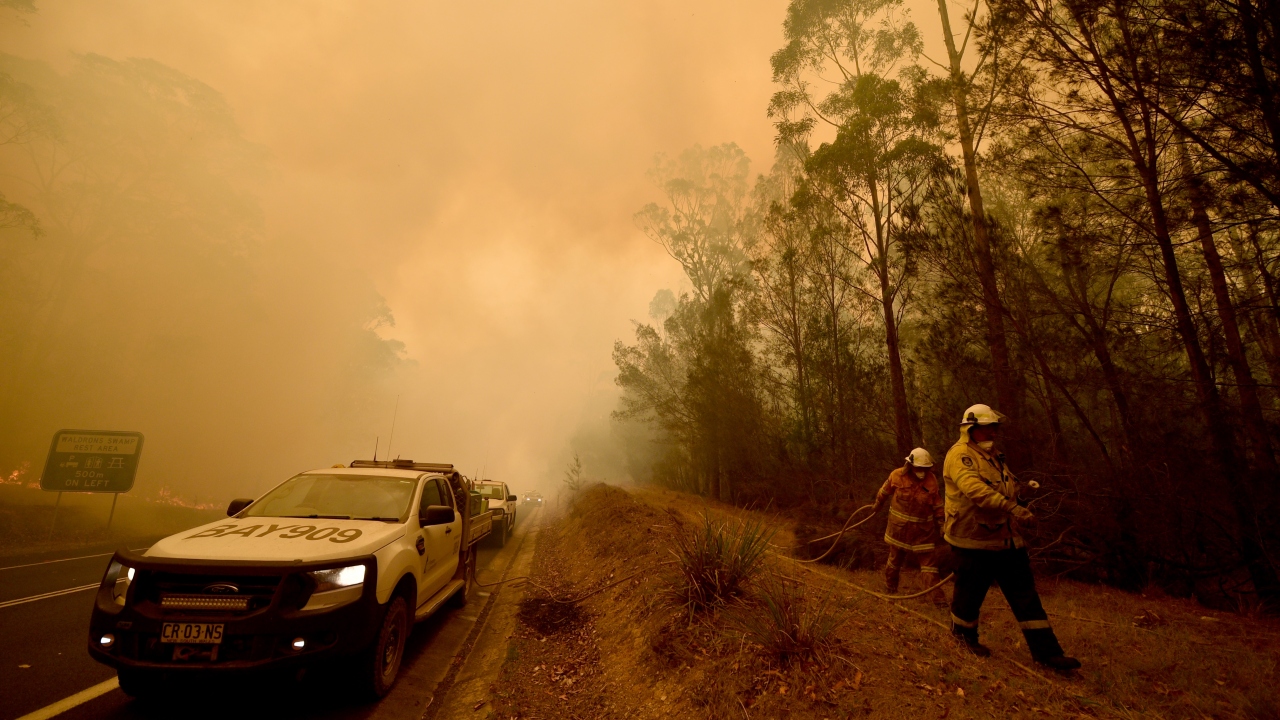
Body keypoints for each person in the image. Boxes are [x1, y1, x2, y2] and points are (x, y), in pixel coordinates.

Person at [942, 404, 1080, 671]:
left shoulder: (993, 456)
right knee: (969, 595)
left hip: (1006, 539)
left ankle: (1048, 654)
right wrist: (1013, 508)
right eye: (988, 427)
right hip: (972, 541)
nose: (994, 432)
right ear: (971, 429)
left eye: (995, 427)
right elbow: (976, 491)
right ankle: (963, 639)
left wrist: (1021, 492)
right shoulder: (960, 455)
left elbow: (1003, 487)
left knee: (1025, 596)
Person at [873, 448, 947, 605]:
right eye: (919, 468)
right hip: (899, 530)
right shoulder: (897, 475)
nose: (922, 472)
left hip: (922, 533)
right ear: (910, 465)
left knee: (929, 566)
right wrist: (877, 504)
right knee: (894, 561)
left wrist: (942, 523)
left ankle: (938, 600)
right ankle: (890, 588)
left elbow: (937, 504)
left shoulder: (931, 480)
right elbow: (884, 492)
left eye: (925, 468)